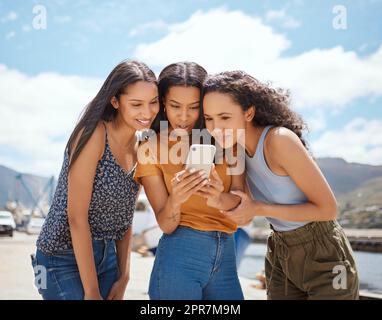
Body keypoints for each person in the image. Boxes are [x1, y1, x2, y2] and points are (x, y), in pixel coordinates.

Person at [202, 70, 359, 300]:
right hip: (280, 251)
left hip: (324, 253)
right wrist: (216, 196)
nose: (215, 127)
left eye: (224, 117)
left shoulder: (279, 140)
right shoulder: (235, 150)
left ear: (249, 112)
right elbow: (242, 211)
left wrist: (260, 209)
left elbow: (328, 209)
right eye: (209, 118)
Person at [31, 60, 159, 300]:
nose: (147, 112)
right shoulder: (95, 134)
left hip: (107, 256)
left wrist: (124, 276)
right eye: (136, 104)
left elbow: (125, 217)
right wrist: (91, 290)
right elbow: (76, 217)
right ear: (115, 101)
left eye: (153, 102)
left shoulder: (143, 146)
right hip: (61, 256)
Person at [135, 62, 245, 300]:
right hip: (179, 255)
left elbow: (242, 208)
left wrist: (218, 198)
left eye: (194, 107)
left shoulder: (228, 139)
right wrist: (176, 199)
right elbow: (166, 224)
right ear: (163, 102)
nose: (183, 117)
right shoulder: (150, 147)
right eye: (175, 106)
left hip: (226, 255)